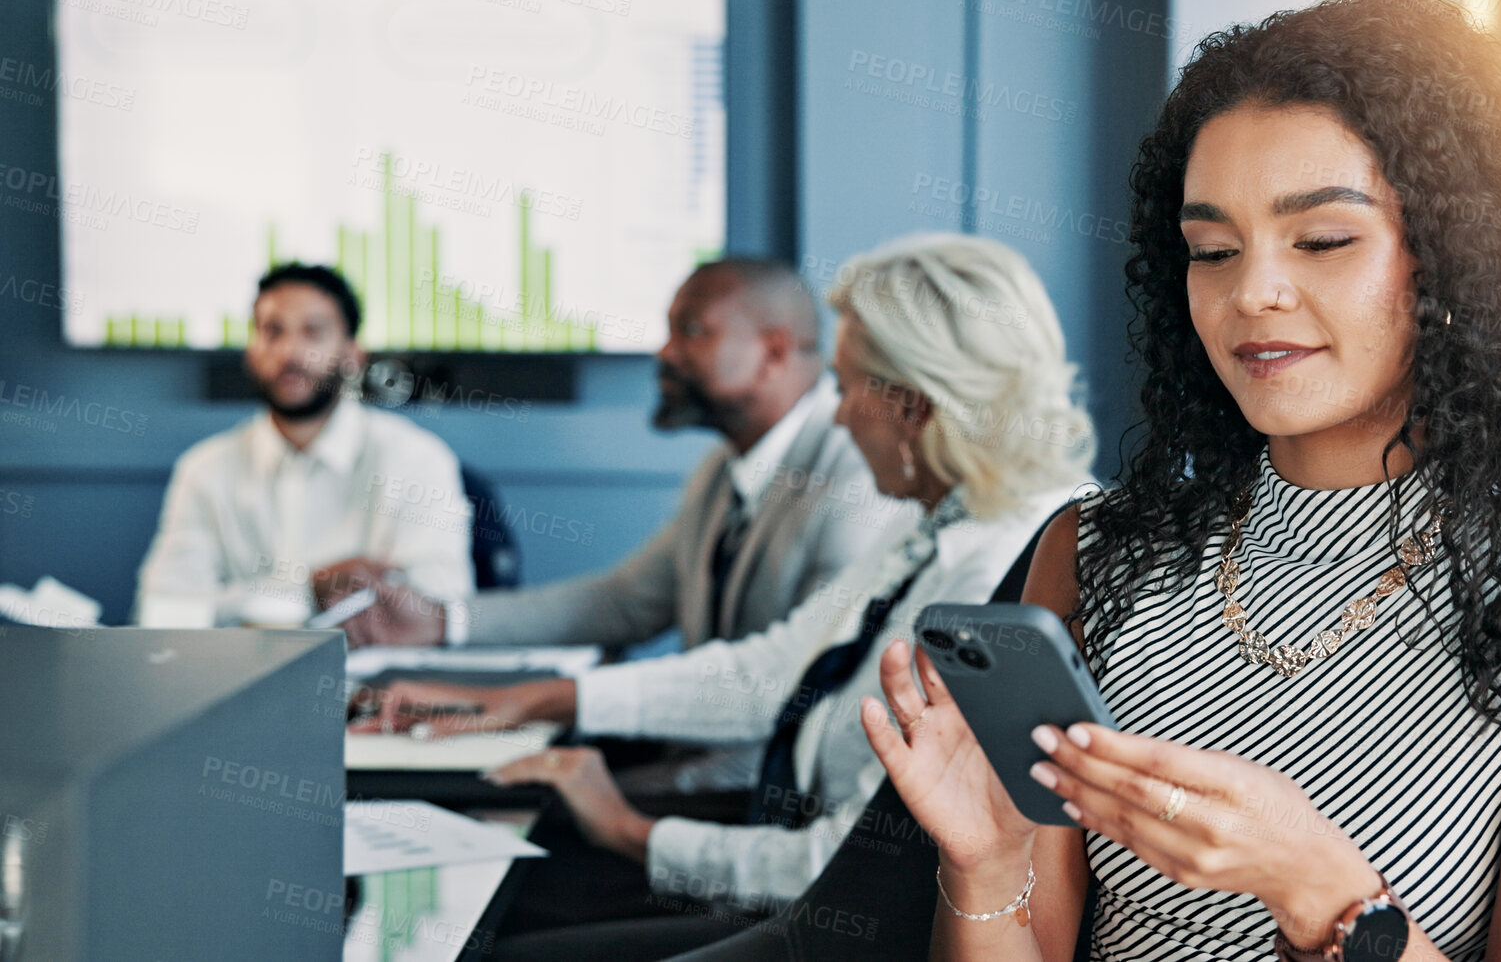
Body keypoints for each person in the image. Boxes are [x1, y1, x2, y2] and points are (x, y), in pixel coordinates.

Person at [863, 0, 1501, 962]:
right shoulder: (1097, 552)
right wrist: (986, 867)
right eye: (1212, 250)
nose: (1250, 291)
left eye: (1323, 240)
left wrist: (1320, 889)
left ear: (1458, 262)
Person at [360, 233, 1097, 959]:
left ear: (912, 407)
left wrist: (628, 829)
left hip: (850, 923)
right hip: (810, 884)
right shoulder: (938, 523)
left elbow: (838, 862)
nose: (837, 416)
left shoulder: (1001, 567)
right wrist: (537, 698)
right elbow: (770, 670)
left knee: (509, 934)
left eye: (844, 389)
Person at [321, 258, 907, 655]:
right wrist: (441, 620)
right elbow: (626, 602)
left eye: (692, 331)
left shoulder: (857, 477)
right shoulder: (722, 475)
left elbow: (784, 683)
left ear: (773, 351)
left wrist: (563, 709)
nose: (665, 352)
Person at [133, 264, 472, 628]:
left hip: (381, 684)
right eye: (272, 331)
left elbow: (436, 607)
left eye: (314, 332)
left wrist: (243, 605)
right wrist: (310, 591)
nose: (290, 352)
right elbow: (161, 613)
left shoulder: (417, 459)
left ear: (352, 356)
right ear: (251, 351)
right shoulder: (204, 469)